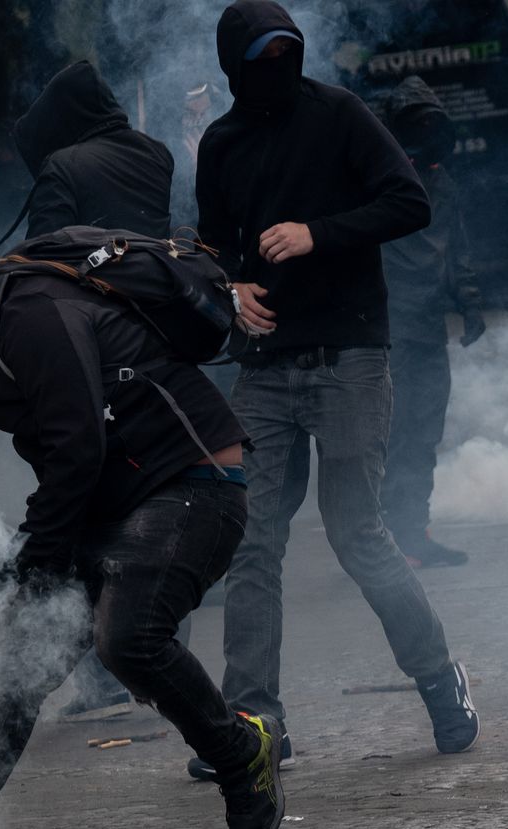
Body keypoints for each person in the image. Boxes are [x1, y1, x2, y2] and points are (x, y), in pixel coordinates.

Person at [0, 226, 286, 829]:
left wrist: (40, 554)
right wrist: (27, 565)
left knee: (128, 639)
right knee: (7, 673)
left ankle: (241, 752)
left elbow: (77, 447)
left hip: (192, 481)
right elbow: (63, 467)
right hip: (110, 503)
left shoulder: (31, 314)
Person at [190, 0, 479, 781]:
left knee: (357, 532)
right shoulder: (219, 144)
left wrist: (319, 232)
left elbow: (407, 201)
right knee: (251, 539)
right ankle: (256, 721)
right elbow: (212, 245)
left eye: (288, 51)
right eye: (261, 57)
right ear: (235, 67)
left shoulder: (341, 115)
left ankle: (438, 676)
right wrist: (231, 287)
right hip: (265, 367)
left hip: (351, 355)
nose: (277, 68)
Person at [8, 59, 179, 722]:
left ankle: (104, 666)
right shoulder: (156, 154)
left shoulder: (64, 169)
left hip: (92, 355)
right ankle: (139, 655)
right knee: (146, 502)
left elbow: (41, 263)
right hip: (156, 346)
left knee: (92, 510)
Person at [377, 75, 486, 568]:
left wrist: (471, 304)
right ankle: (385, 538)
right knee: (394, 433)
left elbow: (456, 249)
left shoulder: (442, 182)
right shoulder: (373, 180)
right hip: (387, 326)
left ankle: (413, 532)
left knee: (424, 430)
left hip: (426, 326)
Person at [10, 59, 173, 244]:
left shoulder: (62, 167)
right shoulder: (157, 154)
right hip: (158, 271)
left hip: (90, 273)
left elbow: (42, 255)